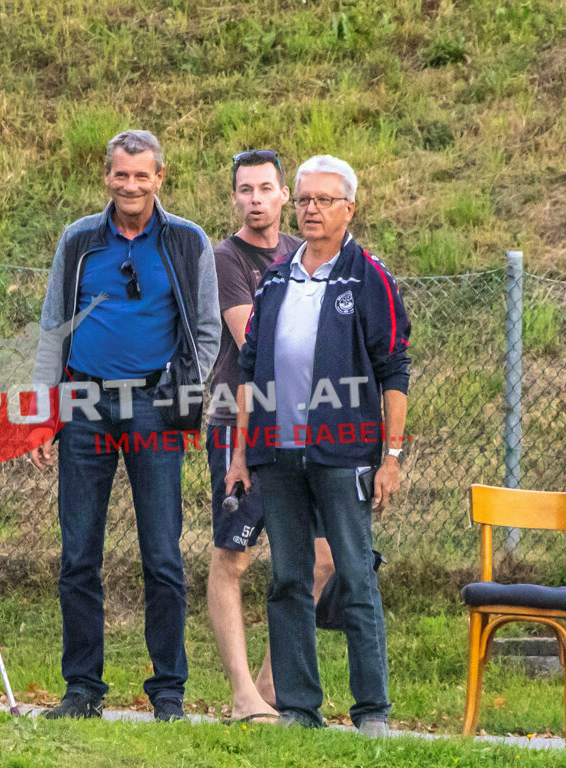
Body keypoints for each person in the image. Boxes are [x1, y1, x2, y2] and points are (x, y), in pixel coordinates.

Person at [30, 130, 220, 722]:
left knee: (162, 555)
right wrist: (44, 411)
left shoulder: (188, 242)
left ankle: (168, 694)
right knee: (78, 555)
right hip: (83, 402)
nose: (131, 186)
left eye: (142, 176)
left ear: (161, 177)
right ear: (106, 176)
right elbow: (52, 326)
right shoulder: (79, 239)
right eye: (121, 175)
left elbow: (208, 331)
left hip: (153, 407)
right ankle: (82, 690)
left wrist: (178, 396)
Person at [227, 155, 411, 737]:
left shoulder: (370, 277)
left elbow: (394, 371)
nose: (310, 209)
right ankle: (300, 708)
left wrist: (392, 457)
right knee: (287, 579)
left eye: (324, 200)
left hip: (345, 454)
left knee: (355, 576)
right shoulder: (277, 279)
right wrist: (239, 454)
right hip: (276, 456)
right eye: (303, 199)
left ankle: (371, 712)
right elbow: (249, 368)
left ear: (349, 209)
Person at [205, 149, 336, 721]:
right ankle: (240, 695)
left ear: (286, 195)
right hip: (241, 423)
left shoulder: (302, 253)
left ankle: (270, 685)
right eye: (245, 190)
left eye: (266, 188)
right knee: (234, 556)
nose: (256, 198)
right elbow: (254, 340)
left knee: (324, 556)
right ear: (234, 198)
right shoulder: (226, 258)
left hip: (305, 427)